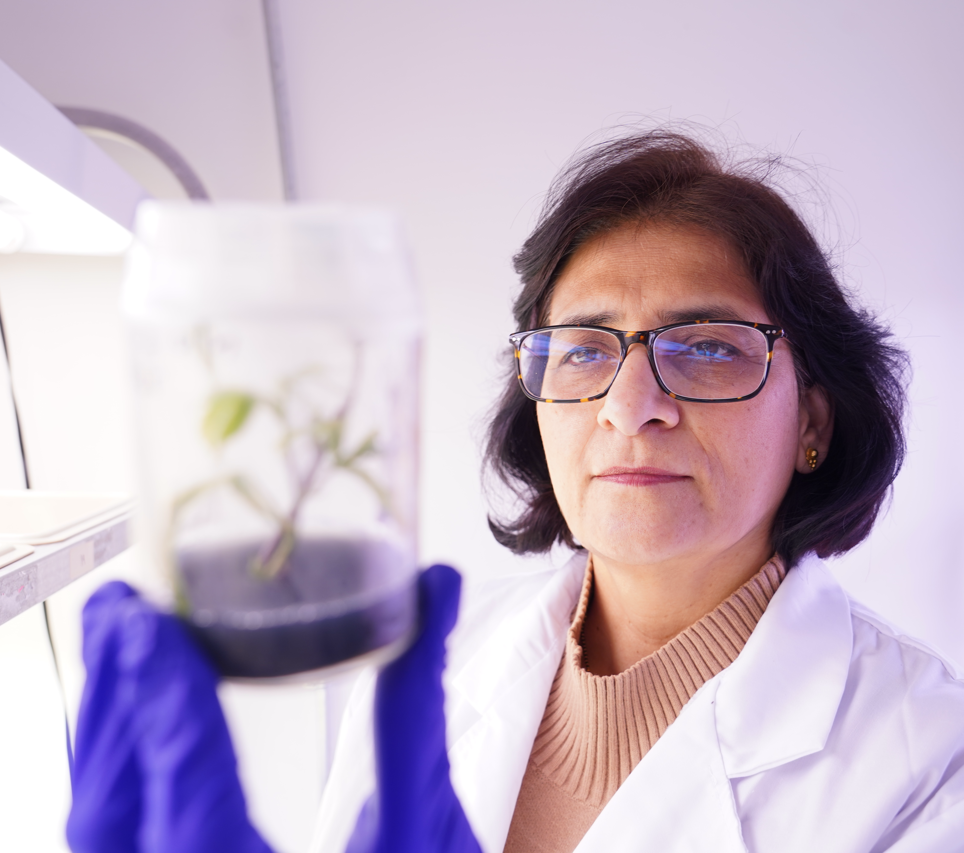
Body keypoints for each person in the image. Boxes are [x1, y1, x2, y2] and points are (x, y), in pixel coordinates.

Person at [67, 129, 964, 853]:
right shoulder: (440, 665)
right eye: (582, 348)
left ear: (814, 420)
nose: (630, 406)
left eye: (707, 346)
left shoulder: (927, 761)